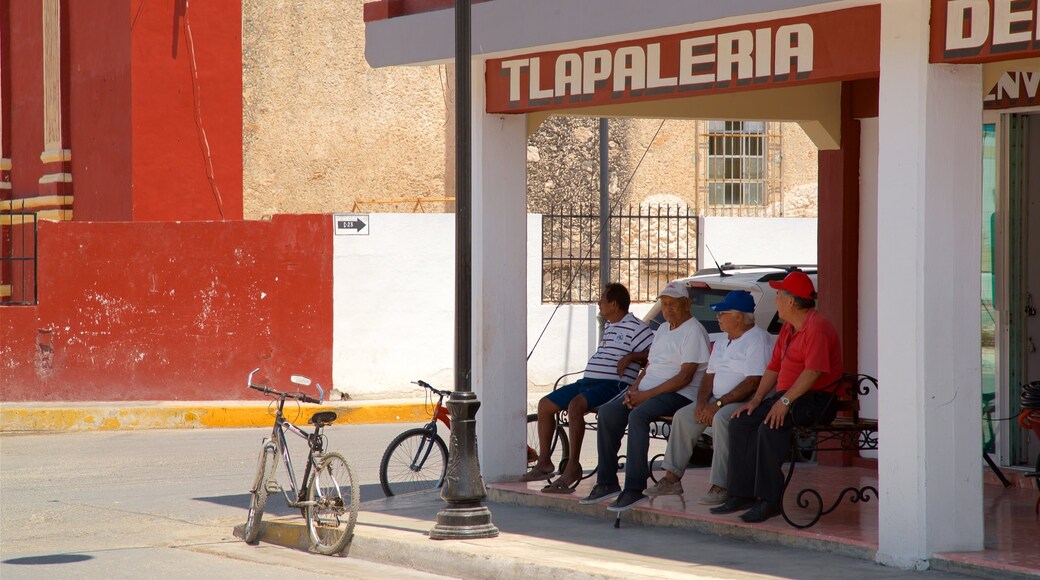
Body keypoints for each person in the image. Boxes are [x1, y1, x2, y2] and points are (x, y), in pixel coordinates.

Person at [710, 271, 842, 523]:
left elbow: (812, 372)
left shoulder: (817, 327)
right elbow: (773, 368)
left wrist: (784, 402)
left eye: (779, 295)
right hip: (790, 397)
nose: (776, 300)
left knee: (770, 427)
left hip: (816, 400)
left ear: (791, 301)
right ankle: (741, 493)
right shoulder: (788, 329)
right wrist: (757, 400)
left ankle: (769, 500)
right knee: (741, 421)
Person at [579, 281, 711, 511]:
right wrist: (635, 389)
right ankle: (607, 481)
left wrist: (645, 395)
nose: (668, 309)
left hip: (679, 393)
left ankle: (634, 487)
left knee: (638, 416)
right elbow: (649, 366)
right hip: (649, 390)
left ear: (687, 304)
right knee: (608, 412)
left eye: (673, 305)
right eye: (665, 304)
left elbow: (685, 377)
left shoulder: (694, 331)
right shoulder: (661, 329)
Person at [520, 283, 654, 493]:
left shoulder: (637, 327)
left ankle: (572, 467)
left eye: (602, 300)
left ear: (614, 304)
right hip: (588, 382)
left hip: (613, 384)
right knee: (545, 405)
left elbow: (655, 354)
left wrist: (632, 357)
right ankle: (544, 463)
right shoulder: (610, 325)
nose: (598, 303)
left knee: (576, 406)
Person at [644, 290, 772, 506]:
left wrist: (719, 404)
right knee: (684, 416)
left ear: (739, 316)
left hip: (745, 402)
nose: (717, 317)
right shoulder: (723, 341)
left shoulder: (757, 340)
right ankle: (672, 478)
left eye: (722, 313)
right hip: (718, 400)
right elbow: (708, 377)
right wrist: (702, 403)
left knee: (722, 418)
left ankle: (721, 485)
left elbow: (752, 382)